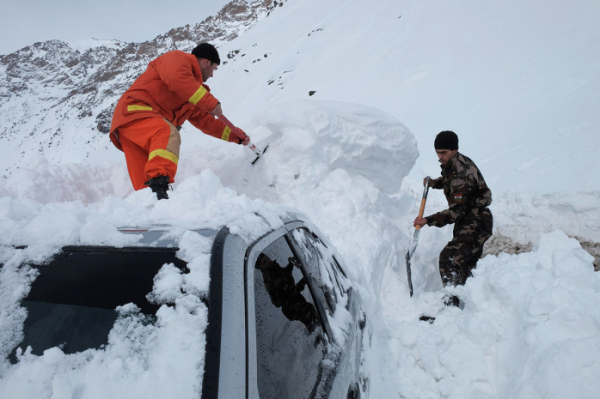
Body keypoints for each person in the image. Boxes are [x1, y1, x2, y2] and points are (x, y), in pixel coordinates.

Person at [109, 43, 250, 200]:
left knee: (145, 185)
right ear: (206, 62)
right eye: (214, 68)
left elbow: (206, 122)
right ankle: (161, 190)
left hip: (129, 126)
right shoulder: (177, 58)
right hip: (137, 111)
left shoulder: (191, 92)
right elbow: (176, 79)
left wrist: (237, 136)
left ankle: (152, 208)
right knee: (167, 132)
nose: (212, 75)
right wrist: (211, 103)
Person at [413, 131, 493, 307]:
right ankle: (463, 308)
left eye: (444, 153)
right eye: (437, 152)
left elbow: (456, 212)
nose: (440, 157)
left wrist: (427, 220)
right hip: (470, 220)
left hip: (476, 221)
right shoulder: (456, 164)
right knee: (464, 266)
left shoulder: (460, 173)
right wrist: (435, 183)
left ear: (454, 150)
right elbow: (450, 180)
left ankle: (451, 305)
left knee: (449, 258)